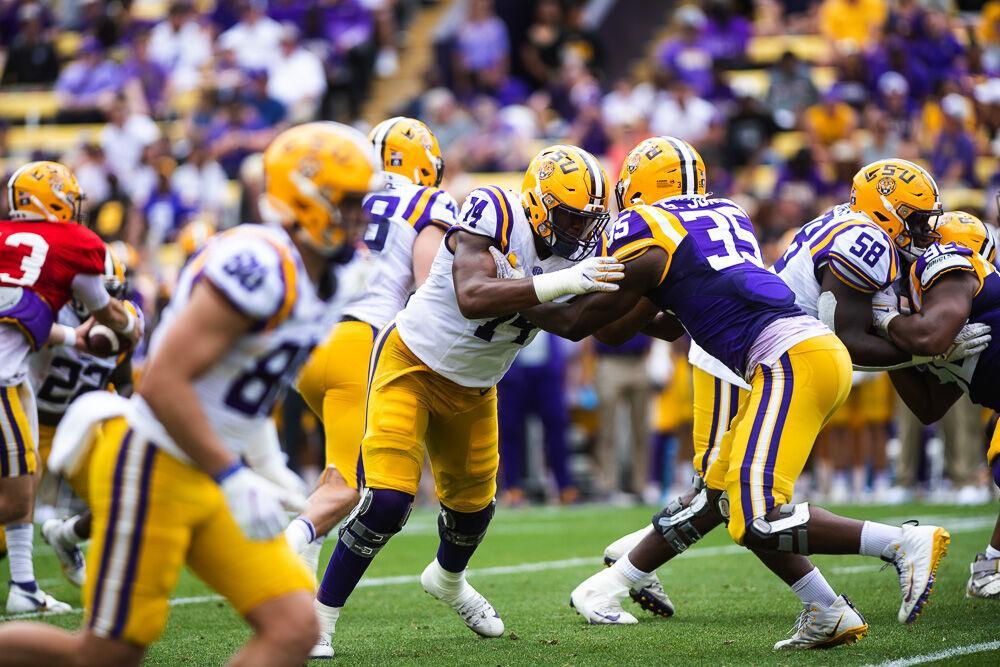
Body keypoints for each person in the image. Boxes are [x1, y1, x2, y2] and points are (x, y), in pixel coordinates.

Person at [513, 138, 951, 648]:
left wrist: (515, 291)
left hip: (789, 361)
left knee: (759, 515)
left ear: (638, 186)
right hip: (797, 358)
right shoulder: (725, 213)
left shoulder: (645, 228)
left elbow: (577, 324)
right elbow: (639, 323)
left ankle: (900, 542)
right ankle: (825, 609)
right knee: (726, 499)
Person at [0, 123, 383, 666]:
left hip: (212, 470)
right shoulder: (258, 264)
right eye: (348, 203)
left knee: (293, 626)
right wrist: (233, 474)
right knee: (106, 654)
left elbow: (245, 391)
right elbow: (161, 381)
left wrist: (267, 469)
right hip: (157, 466)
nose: (359, 217)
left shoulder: (332, 278)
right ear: (309, 198)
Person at [309, 144, 623, 659]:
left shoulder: (580, 251)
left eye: (587, 220)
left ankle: (448, 581)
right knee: (387, 502)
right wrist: (564, 281)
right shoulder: (493, 209)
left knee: (473, 512)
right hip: (410, 363)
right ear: (540, 203)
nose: (579, 231)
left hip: (475, 386)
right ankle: (320, 619)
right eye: (570, 216)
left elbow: (572, 324)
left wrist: (661, 306)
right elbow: (472, 295)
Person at [288, 117, 457, 577]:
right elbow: (429, 291)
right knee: (354, 489)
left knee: (337, 476)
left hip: (309, 345)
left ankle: (301, 580)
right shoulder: (428, 200)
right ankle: (281, 551)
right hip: (360, 346)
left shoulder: (350, 195)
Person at [0, 161, 140, 614]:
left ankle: (25, 587)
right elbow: (115, 320)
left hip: (68, 414)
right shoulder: (72, 249)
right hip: (21, 396)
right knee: (16, 501)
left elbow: (23, 311)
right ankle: (24, 587)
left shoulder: (13, 246)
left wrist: (77, 337)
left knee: (124, 496)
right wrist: (125, 326)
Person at [873, 211, 1000, 599]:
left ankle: (991, 565)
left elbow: (930, 337)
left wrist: (891, 326)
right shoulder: (927, 289)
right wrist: (902, 346)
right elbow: (929, 406)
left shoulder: (950, 268)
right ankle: (990, 566)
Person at [31, 248, 140, 587]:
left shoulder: (127, 321)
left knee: (122, 502)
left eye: (113, 293)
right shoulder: (48, 311)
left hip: (82, 425)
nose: (106, 302)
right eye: (100, 292)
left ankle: (64, 537)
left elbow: (122, 380)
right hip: (33, 419)